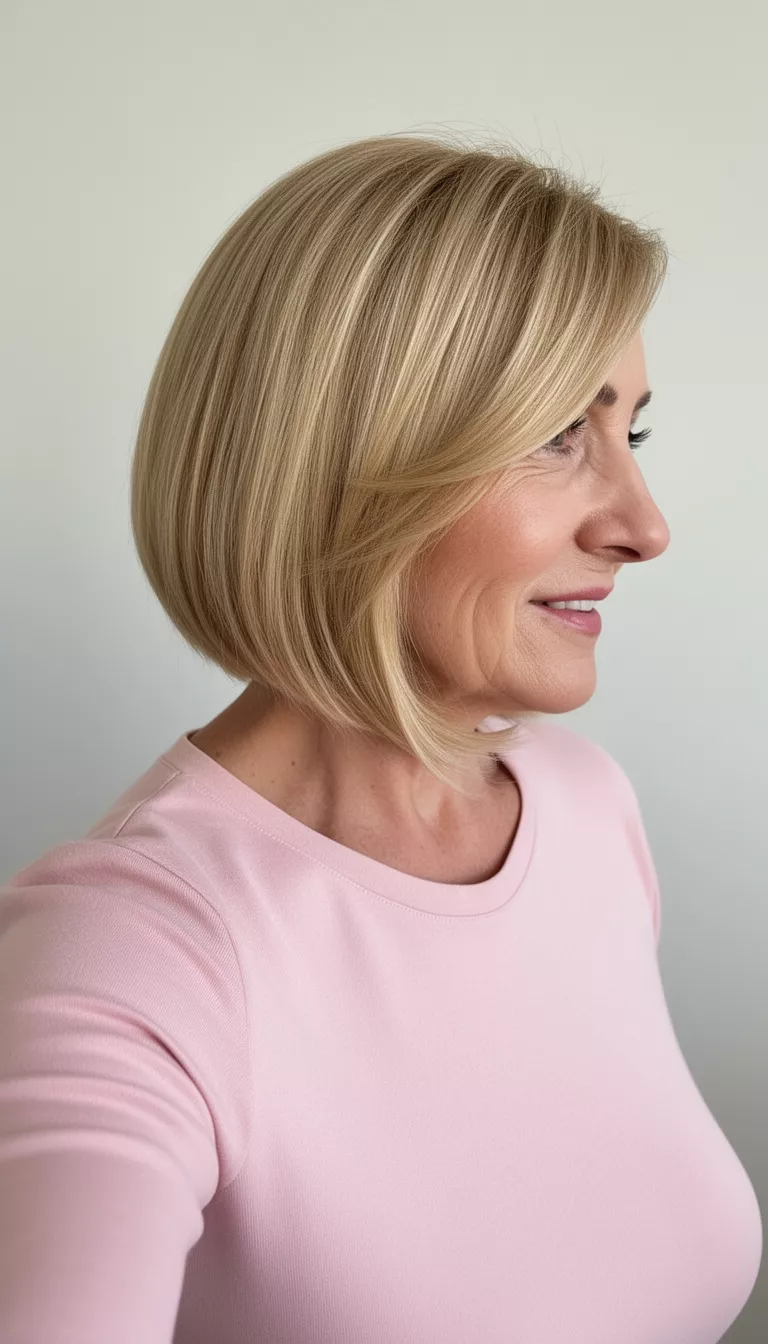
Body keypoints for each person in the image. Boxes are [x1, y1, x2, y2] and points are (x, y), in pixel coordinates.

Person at [0, 132, 762, 1344]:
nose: (644, 524)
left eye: (635, 433)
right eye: (562, 432)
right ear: (347, 466)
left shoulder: (582, 809)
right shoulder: (133, 951)